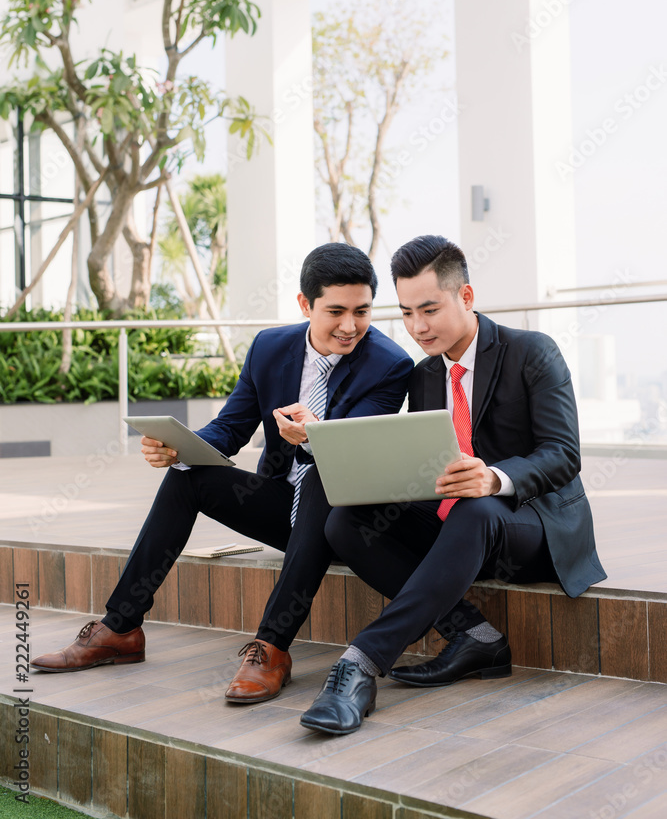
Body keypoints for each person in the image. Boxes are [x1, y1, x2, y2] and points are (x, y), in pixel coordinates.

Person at [31, 243, 413, 706]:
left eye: (362, 311)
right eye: (336, 311)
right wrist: (180, 447)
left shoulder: (390, 365)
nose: (350, 326)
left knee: (318, 476)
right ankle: (120, 628)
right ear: (304, 304)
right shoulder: (270, 348)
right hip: (281, 509)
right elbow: (230, 429)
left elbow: (355, 455)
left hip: (343, 522)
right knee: (188, 477)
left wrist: (315, 436)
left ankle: (271, 649)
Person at [300, 234, 606, 735]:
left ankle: (360, 664)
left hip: (534, 525)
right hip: (458, 527)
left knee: (476, 507)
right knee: (347, 520)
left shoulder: (532, 352)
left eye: (430, 309)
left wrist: (494, 477)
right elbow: (427, 463)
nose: (418, 327)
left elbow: (563, 454)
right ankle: (474, 635)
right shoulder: (422, 378)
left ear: (465, 296)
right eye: (405, 313)